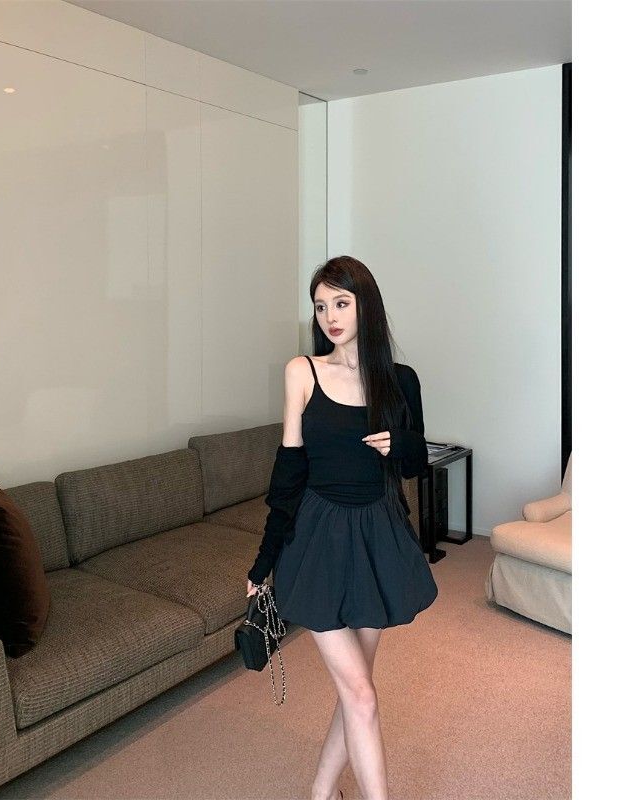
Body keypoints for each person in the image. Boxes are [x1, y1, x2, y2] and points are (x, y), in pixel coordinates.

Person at [245, 255, 438, 800]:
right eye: (320, 306)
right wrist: (264, 561)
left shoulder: (400, 381)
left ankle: (321, 792)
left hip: (378, 536)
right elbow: (288, 473)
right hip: (319, 540)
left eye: (341, 303)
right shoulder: (301, 372)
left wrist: (400, 444)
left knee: (358, 691)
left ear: (365, 305)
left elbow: (417, 462)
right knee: (362, 695)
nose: (330, 316)